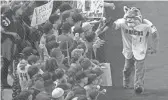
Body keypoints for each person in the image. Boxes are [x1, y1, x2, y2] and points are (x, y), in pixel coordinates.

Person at [112, 6, 159, 94]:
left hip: (140, 50)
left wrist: (154, 47)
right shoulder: (122, 21)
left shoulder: (146, 23)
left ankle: (138, 86)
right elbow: (115, 25)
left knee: (139, 69)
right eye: (129, 18)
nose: (130, 20)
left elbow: (155, 34)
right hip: (128, 50)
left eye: (133, 18)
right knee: (127, 68)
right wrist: (109, 23)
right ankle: (126, 82)